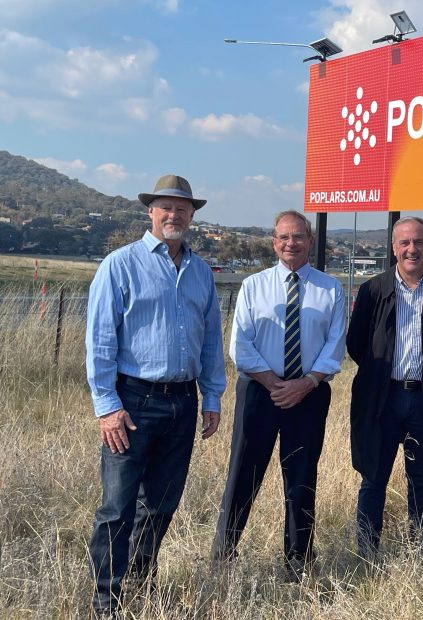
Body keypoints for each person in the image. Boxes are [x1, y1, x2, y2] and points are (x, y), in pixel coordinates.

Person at [85, 174, 226, 618]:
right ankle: (106, 599)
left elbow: (209, 342)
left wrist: (213, 397)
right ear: (150, 212)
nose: (174, 215)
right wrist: (107, 406)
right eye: (166, 207)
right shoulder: (120, 265)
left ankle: (142, 586)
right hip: (132, 403)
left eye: (182, 209)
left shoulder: (201, 271)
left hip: (182, 403)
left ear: (192, 216)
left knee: (162, 505)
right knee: (118, 507)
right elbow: (101, 340)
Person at [211, 210, 345, 581]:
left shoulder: (330, 288)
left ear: (310, 241)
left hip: (310, 394)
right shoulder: (254, 286)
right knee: (243, 474)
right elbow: (240, 345)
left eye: (299, 236)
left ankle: (298, 561)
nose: (291, 243)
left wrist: (305, 384)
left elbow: (334, 347)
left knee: (302, 478)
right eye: (284, 237)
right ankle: (224, 558)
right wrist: (275, 384)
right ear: (274, 242)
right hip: (259, 392)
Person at [347, 217, 423, 556]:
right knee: (373, 478)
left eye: (419, 242)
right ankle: (366, 551)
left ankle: (421, 550)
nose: (412, 249)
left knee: (422, 479)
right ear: (394, 247)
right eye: (405, 242)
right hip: (383, 398)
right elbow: (356, 344)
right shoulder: (374, 289)